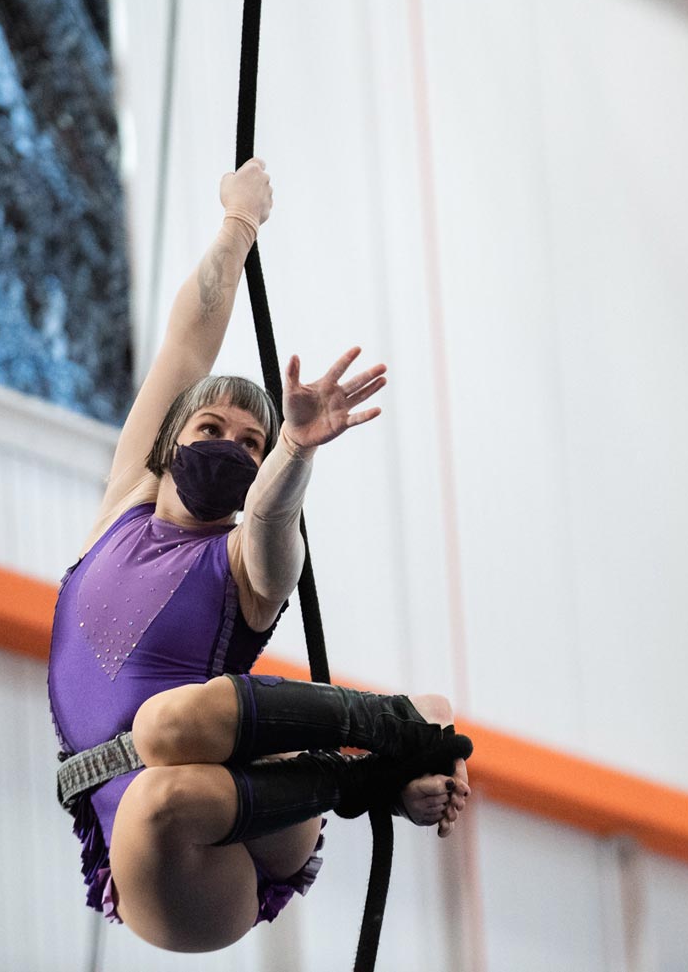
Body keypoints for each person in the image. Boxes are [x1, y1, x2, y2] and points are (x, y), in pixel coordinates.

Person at [47, 159, 473, 954]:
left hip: (232, 831)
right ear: (170, 442)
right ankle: (379, 768)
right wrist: (238, 223)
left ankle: (389, 733)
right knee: (163, 745)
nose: (231, 448)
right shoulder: (123, 507)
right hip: (164, 852)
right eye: (212, 430)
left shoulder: (243, 561)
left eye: (251, 443)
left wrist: (294, 453)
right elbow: (187, 343)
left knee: (169, 720)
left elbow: (274, 521)